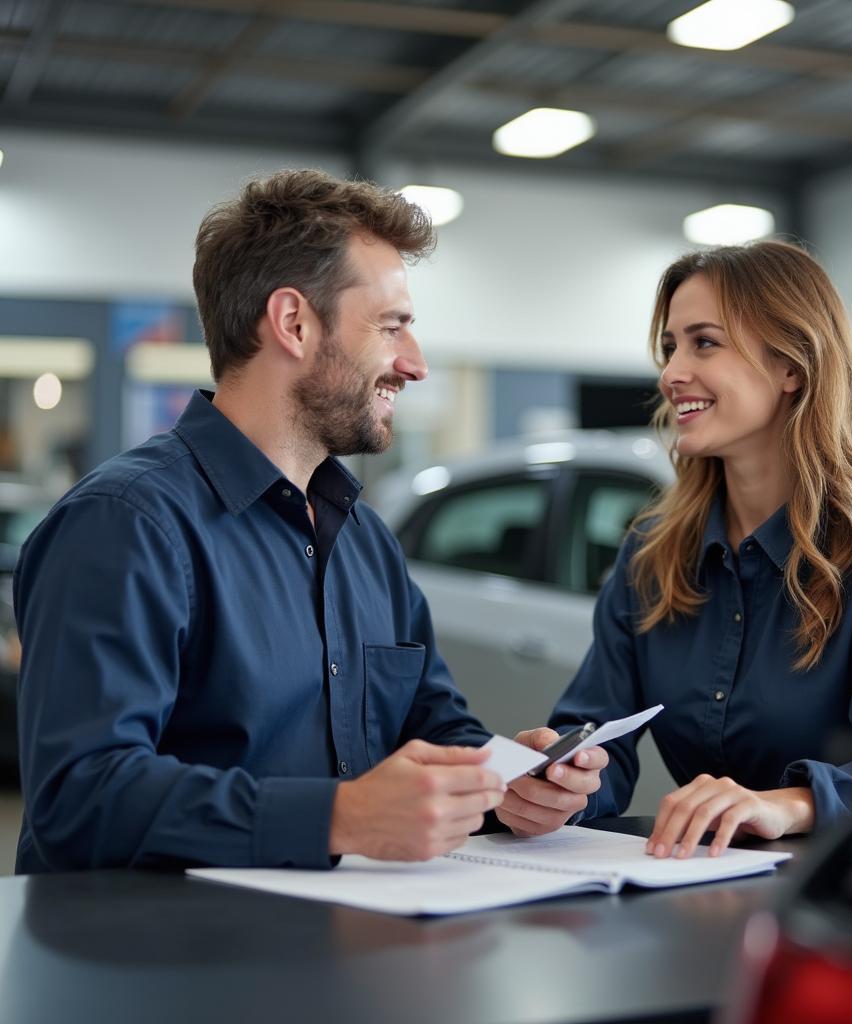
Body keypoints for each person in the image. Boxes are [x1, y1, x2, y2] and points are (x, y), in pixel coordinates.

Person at [14, 170, 603, 873]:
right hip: (168, 967)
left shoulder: (363, 539)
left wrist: (503, 783)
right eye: (391, 327)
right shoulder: (125, 525)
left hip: (340, 947)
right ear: (294, 322)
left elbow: (433, 723)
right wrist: (339, 816)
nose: (413, 365)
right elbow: (79, 797)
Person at [498, 241, 852, 855]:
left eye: (703, 342)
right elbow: (595, 737)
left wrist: (782, 806)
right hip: (693, 889)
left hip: (834, 898)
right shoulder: (650, 555)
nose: (670, 373)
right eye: (669, 348)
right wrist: (557, 784)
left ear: (792, 365)